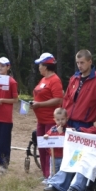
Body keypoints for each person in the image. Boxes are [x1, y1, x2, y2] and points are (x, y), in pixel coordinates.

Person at [32, 53, 63, 182]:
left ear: (46, 66)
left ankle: (51, 175)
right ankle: (45, 174)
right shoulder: (43, 79)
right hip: (41, 120)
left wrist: (39, 104)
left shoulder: (55, 80)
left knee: (50, 149)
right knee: (42, 147)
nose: (39, 67)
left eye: (40, 64)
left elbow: (58, 99)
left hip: (51, 120)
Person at [62, 50, 96, 129]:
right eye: (77, 63)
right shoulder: (74, 78)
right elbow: (66, 99)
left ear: (90, 62)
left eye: (82, 62)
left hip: (84, 124)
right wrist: (63, 116)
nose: (79, 65)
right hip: (68, 121)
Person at [0, 57, 19, 175]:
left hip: (5, 117)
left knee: (4, 141)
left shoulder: (12, 82)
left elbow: (15, 99)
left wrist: (2, 100)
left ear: (8, 67)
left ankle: (4, 164)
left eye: (2, 66)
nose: (0, 68)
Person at [44, 108, 68, 176]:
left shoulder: (68, 130)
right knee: (53, 172)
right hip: (53, 156)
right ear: (54, 120)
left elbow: (67, 141)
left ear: (66, 118)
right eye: (58, 120)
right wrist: (46, 136)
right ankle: (51, 184)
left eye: (62, 119)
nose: (60, 121)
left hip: (63, 156)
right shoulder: (52, 129)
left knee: (62, 173)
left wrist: (61, 133)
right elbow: (48, 134)